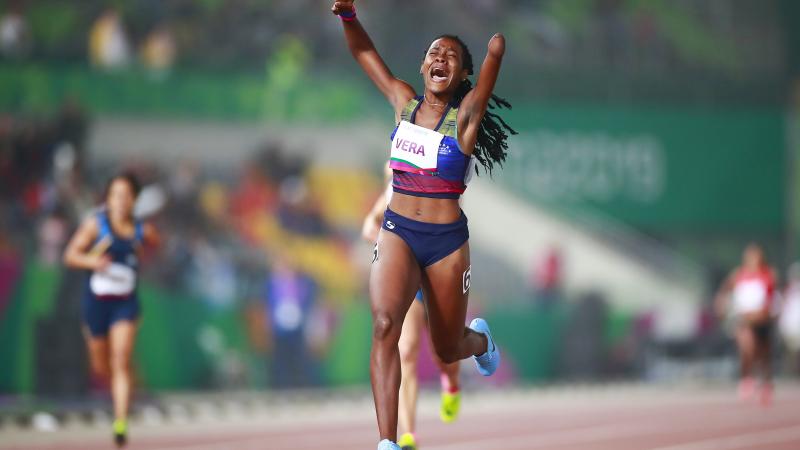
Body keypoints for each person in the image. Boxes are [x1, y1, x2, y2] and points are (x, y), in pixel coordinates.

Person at [332, 2, 516, 448]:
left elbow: (487, 80)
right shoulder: (402, 103)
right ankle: (387, 442)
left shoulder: (466, 118)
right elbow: (364, 55)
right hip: (398, 231)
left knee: (447, 348)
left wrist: (494, 53)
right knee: (383, 327)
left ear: (462, 77)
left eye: (452, 56)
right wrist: (349, 17)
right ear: (422, 65)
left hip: (446, 245)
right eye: (435, 52)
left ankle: (481, 343)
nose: (441, 59)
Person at [362, 165, 462, 450]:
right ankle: (408, 436)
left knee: (446, 348)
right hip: (411, 282)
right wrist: (390, 245)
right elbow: (368, 226)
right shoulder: (391, 194)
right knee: (406, 351)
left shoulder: (437, 184)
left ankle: (451, 382)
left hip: (438, 271)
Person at [63, 173, 159, 447]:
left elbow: (157, 247)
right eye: (115, 195)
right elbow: (70, 255)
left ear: (135, 200)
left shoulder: (144, 230)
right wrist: (93, 262)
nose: (120, 201)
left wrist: (143, 256)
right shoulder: (96, 225)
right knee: (100, 364)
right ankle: (126, 388)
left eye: (126, 195)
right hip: (96, 303)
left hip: (125, 303)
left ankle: (120, 423)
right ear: (107, 198)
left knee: (120, 358)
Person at [715, 243, 777, 406]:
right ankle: (746, 379)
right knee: (747, 348)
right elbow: (724, 289)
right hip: (743, 319)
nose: (752, 259)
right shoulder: (738, 274)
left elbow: (773, 297)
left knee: (763, 355)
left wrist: (771, 311)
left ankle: (766, 383)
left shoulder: (768, 274)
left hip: (762, 319)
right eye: (749, 256)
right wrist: (721, 303)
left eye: (755, 256)